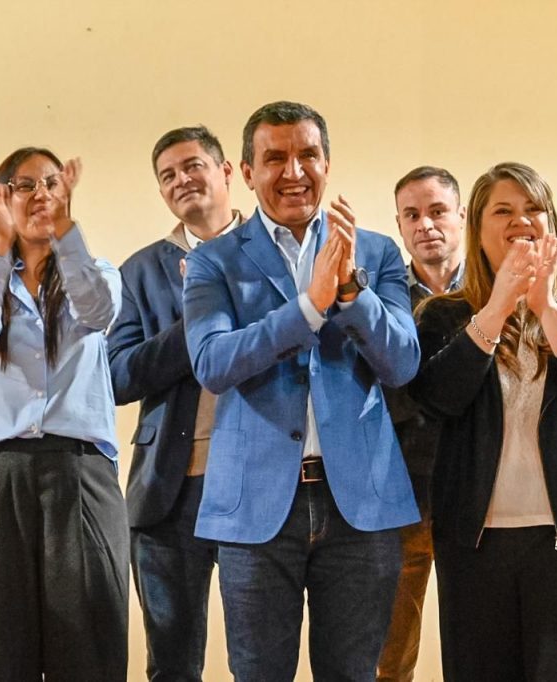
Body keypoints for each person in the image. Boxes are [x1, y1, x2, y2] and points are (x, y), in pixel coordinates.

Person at [182, 101, 420, 681]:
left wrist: (350, 292)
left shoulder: (375, 251)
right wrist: (309, 307)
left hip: (360, 504)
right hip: (256, 507)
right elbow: (213, 363)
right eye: (275, 158)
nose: (294, 171)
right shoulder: (213, 260)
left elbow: (402, 363)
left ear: (327, 164)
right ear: (247, 171)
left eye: (308, 155)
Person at [410, 162, 557, 682]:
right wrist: (496, 308)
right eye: (503, 211)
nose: (520, 220)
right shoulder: (443, 315)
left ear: (551, 222)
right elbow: (438, 398)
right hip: (475, 540)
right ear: (478, 228)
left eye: (532, 209)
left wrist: (547, 307)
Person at [0, 147, 128, 681]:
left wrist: (66, 234)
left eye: (51, 183)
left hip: (78, 469)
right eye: (24, 185)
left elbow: (97, 311)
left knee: (87, 644)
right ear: (2, 198)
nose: (40, 195)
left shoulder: (97, 271)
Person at [108, 124, 241, 681]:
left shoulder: (269, 253)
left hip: (257, 484)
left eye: (192, 166)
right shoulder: (141, 270)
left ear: (227, 171)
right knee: (172, 663)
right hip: (168, 487)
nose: (181, 180)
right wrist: (197, 324)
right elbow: (117, 377)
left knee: (260, 658)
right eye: (167, 176)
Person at [378, 165, 464, 682]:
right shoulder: (383, 294)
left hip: (475, 485)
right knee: (390, 652)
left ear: (461, 216)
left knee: (479, 642)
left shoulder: (490, 288)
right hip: (402, 487)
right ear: (399, 225)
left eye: (437, 211)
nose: (425, 225)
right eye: (411, 215)